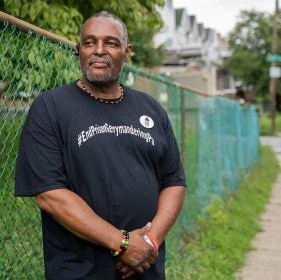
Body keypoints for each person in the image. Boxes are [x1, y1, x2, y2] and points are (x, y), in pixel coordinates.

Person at [15, 11, 186, 280]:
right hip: (80, 270)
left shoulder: (151, 108)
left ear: (127, 52)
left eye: (111, 43)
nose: (99, 51)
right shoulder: (50, 108)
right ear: (79, 50)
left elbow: (173, 181)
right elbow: (49, 194)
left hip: (145, 268)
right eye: (90, 42)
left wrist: (148, 244)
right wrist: (123, 245)